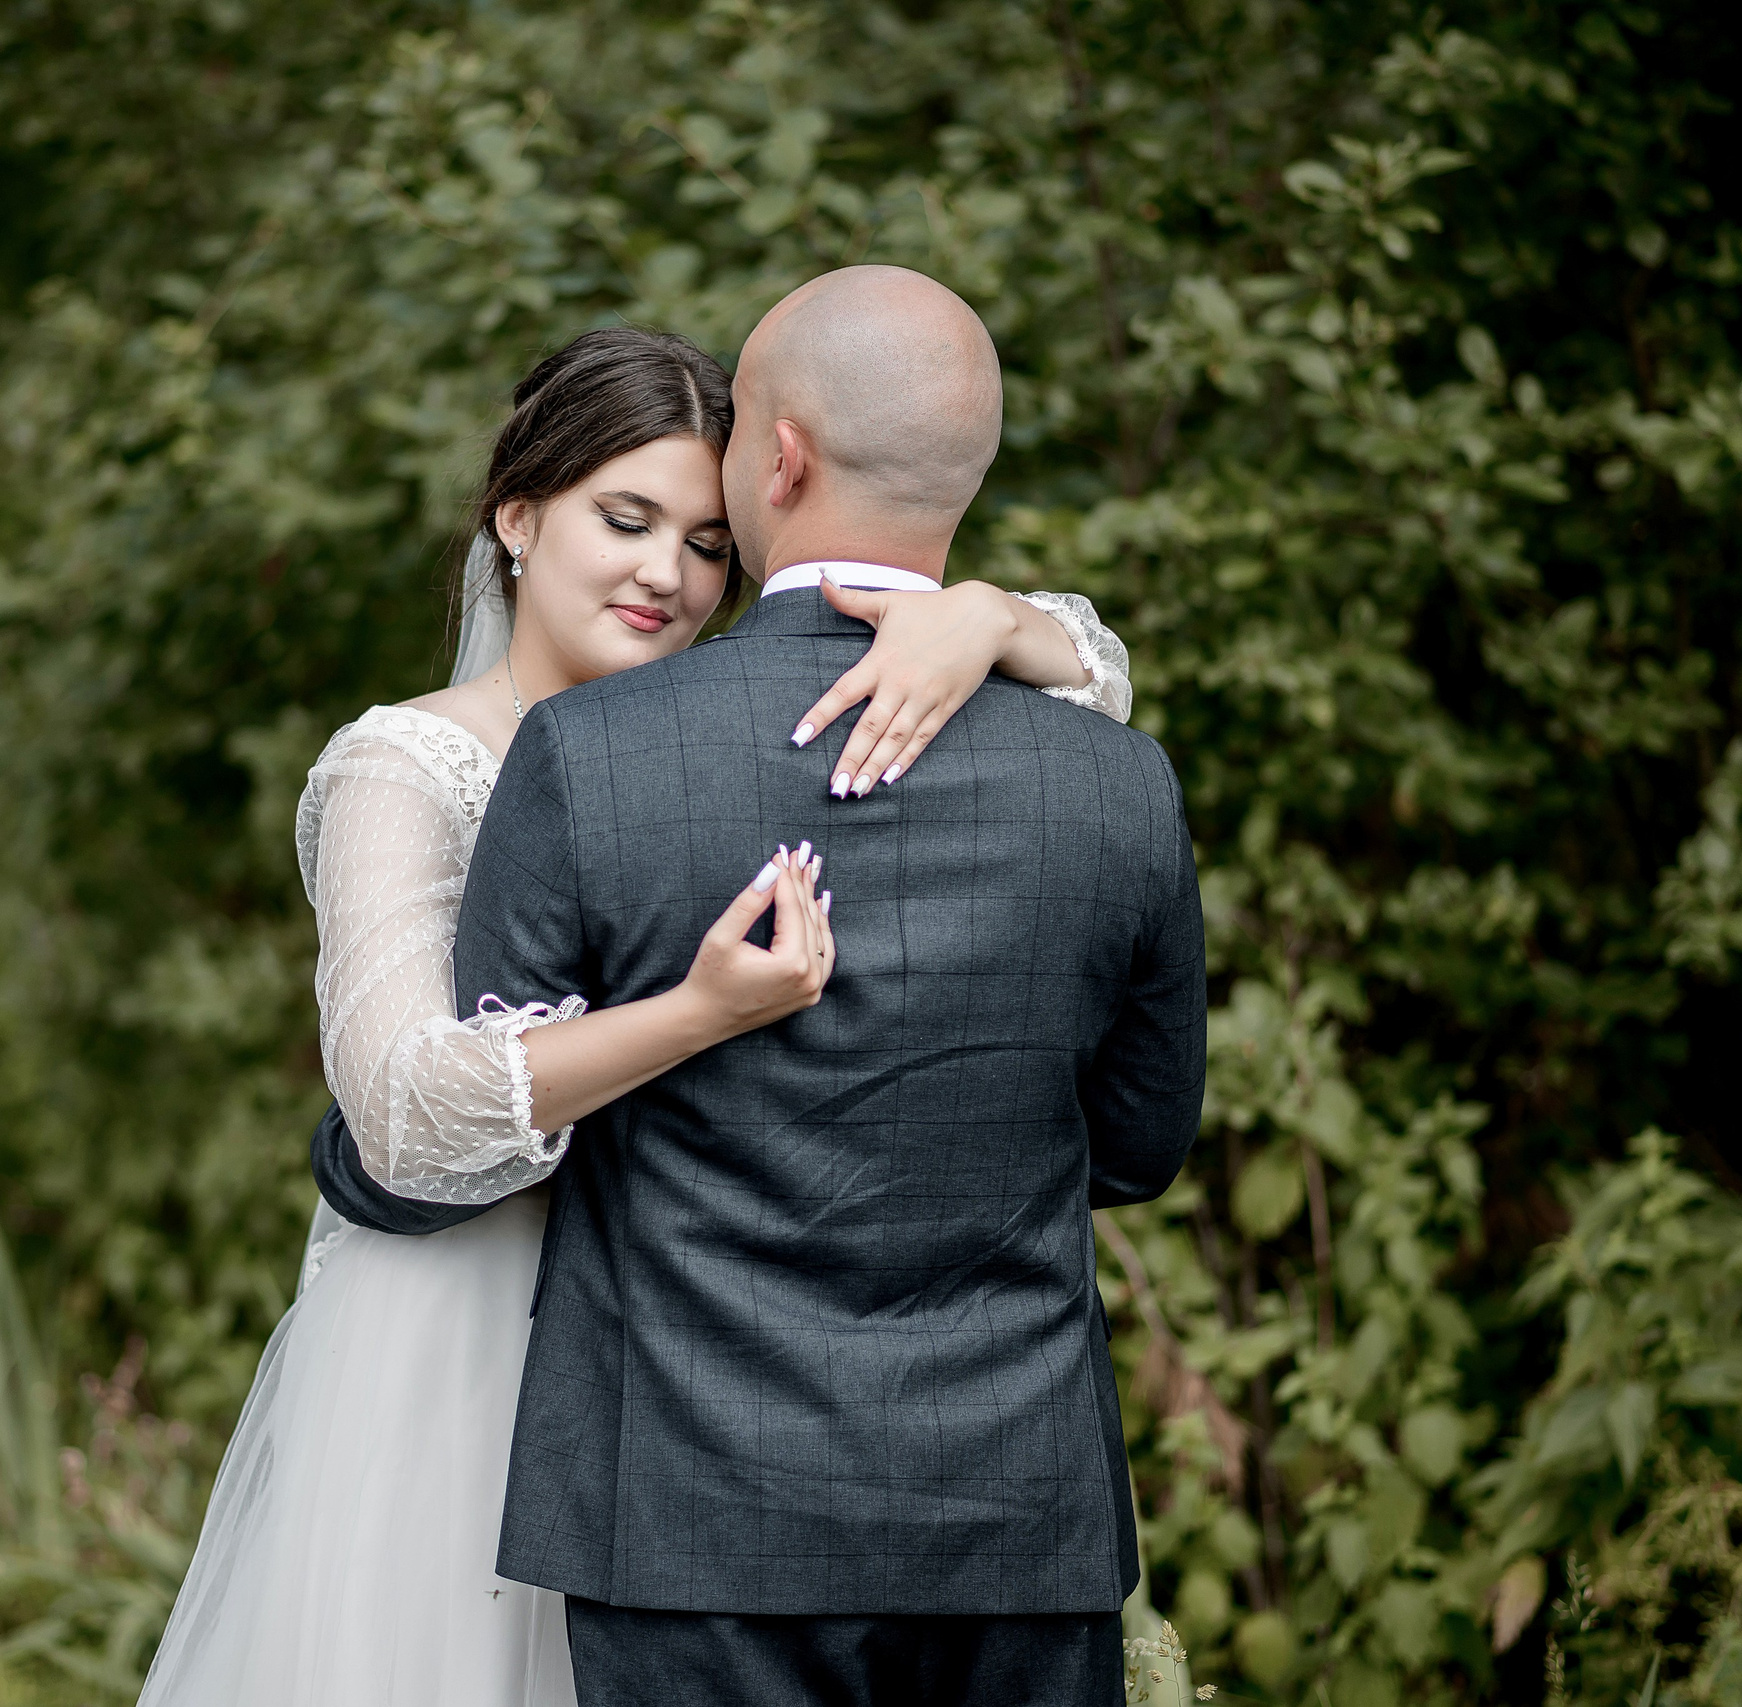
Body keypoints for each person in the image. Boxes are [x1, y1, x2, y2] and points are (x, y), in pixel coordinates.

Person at [136, 321, 1139, 1706]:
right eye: (625, 519)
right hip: (468, 1335)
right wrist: (696, 1012)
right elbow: (404, 1111)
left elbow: (1095, 694)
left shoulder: (733, 738)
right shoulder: (407, 764)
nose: (668, 574)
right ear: (517, 513)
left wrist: (988, 615)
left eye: (706, 542)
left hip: (697, 1370)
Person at [453, 268, 1206, 1706]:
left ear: (777, 458)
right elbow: (1142, 1144)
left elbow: (502, 1128)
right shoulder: (1121, 785)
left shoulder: (593, 755)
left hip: (688, 1519)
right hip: (1014, 1521)